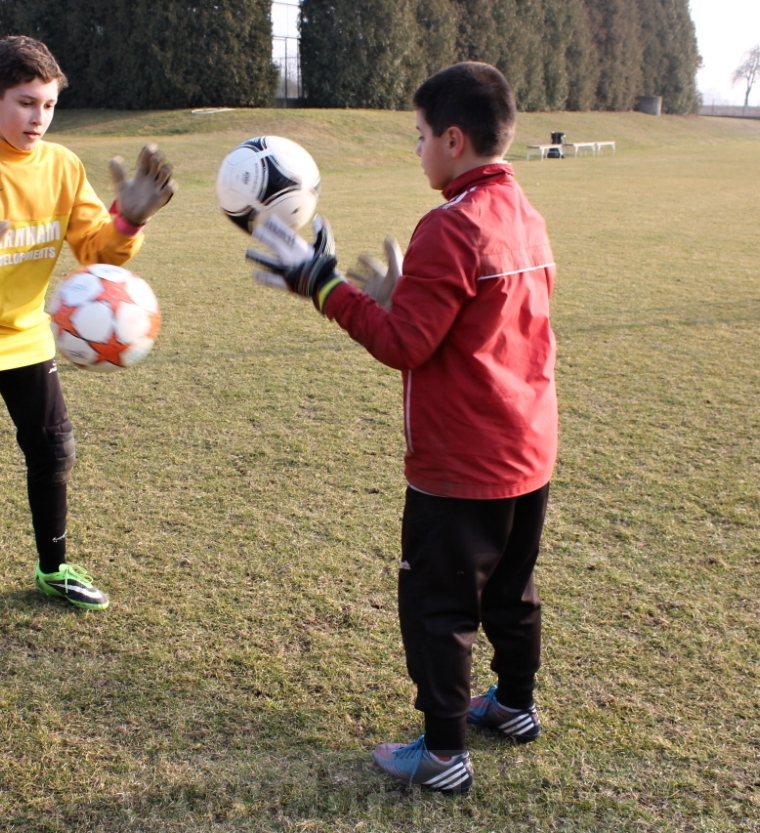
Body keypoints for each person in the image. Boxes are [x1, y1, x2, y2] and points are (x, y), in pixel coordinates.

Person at [248, 61, 557, 794]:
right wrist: (396, 294)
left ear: (454, 139)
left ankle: (445, 753)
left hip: (462, 461)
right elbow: (477, 323)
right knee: (512, 588)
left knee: (438, 604)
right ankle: (514, 703)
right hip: (528, 448)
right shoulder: (523, 213)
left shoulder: (450, 224)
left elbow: (402, 345)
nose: (417, 148)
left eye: (420, 135)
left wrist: (321, 284)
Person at [0, 35, 175, 679]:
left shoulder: (60, 165)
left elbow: (95, 251)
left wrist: (128, 222)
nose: (38, 118)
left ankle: (53, 569)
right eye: (25, 103)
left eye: (48, 105)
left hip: (25, 328)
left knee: (53, 450)